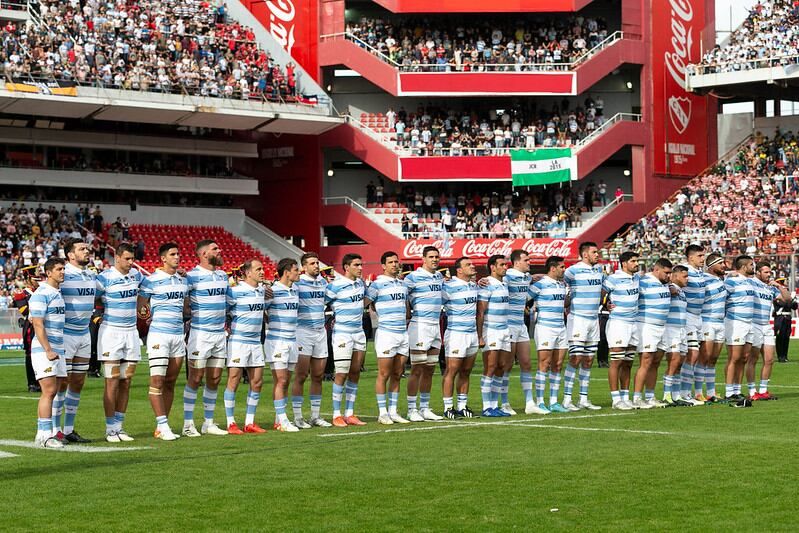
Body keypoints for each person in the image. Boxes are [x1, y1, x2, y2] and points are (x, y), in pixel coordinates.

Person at [137, 242, 187, 441]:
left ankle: (162, 425)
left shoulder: (183, 281)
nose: (177, 257)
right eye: (173, 254)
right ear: (163, 258)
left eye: (178, 254)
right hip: (159, 335)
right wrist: (147, 316)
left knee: (170, 381)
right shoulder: (151, 280)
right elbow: (141, 307)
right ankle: (162, 425)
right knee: (157, 381)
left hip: (178, 335)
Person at [96, 243, 142, 442]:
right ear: (117, 258)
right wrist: (96, 317)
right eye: (127, 259)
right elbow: (89, 299)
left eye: (133, 259)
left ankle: (119, 426)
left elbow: (152, 288)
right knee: (112, 382)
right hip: (111, 334)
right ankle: (109, 429)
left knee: (126, 382)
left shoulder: (137, 276)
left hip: (131, 333)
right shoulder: (103, 278)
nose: (131, 263)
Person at [182, 239, 229, 437]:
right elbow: (184, 304)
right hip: (200, 334)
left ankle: (208, 422)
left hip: (220, 334)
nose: (219, 251)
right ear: (203, 254)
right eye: (215, 249)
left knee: (215, 378)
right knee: (195, 377)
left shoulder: (223, 276)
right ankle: (187, 423)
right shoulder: (191, 277)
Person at [56, 238, 95, 443]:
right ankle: (55, 430)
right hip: (66, 334)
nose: (87, 251)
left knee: (78, 382)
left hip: (84, 334)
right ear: (71, 255)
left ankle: (69, 429)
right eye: (82, 249)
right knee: (61, 382)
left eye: (87, 248)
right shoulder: (63, 275)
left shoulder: (91, 275)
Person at [365, 251, 410, 425]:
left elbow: (406, 307)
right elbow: (366, 303)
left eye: (396, 262)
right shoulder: (377, 285)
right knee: (384, 373)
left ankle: (393, 411)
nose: (394, 264)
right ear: (383, 265)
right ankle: (382, 412)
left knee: (398, 373)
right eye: (390, 262)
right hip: (386, 334)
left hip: (402, 334)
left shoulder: (403, 284)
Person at [223, 260, 268, 434]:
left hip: (256, 342)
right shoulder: (235, 292)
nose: (262, 272)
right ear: (248, 273)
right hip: (238, 341)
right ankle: (230, 422)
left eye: (263, 269)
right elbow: (223, 310)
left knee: (257, 381)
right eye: (258, 269)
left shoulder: (262, 291)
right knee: (233, 379)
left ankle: (249, 422)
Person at [325, 254, 367, 427]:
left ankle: (350, 413)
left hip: (359, 333)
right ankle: (336, 414)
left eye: (361, 264)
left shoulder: (360, 284)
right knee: (341, 373)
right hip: (342, 334)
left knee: (355, 372)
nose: (360, 268)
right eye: (356, 265)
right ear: (346, 267)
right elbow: (322, 303)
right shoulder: (335, 286)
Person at [291, 252, 332, 428]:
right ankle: (298, 417)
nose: (317, 266)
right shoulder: (298, 283)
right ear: (304, 267)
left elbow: (329, 300)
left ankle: (315, 416)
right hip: (303, 332)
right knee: (301, 375)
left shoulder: (323, 282)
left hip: (320, 332)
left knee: (318, 375)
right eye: (313, 263)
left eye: (317, 262)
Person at [404, 246, 444, 421]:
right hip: (420, 326)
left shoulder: (439, 276)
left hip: (435, 327)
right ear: (423, 259)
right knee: (417, 369)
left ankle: (425, 408)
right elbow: (402, 296)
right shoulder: (412, 277)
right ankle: (411, 409)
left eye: (437, 256)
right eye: (431, 257)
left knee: (430, 369)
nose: (435, 259)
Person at [30, 257, 67, 448]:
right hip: (45, 350)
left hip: (59, 349)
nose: (63, 272)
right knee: (49, 391)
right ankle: (45, 435)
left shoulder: (57, 293)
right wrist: (48, 349)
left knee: (57, 391)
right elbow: (37, 323)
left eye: (64, 269)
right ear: (49, 272)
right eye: (59, 269)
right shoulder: (41, 293)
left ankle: (46, 432)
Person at [562, 241, 604, 411]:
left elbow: (604, 289)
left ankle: (583, 399)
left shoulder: (600, 270)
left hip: (593, 319)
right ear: (585, 254)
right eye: (595, 252)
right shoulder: (572, 271)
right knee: (575, 358)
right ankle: (566, 399)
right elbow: (559, 282)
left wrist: (606, 303)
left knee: (588, 360)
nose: (597, 255)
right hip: (578, 318)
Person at [264, 258, 301, 432]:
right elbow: (261, 309)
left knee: (286, 382)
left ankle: (279, 419)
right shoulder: (273, 291)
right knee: (281, 380)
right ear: (287, 272)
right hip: (277, 341)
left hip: (292, 340)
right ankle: (283, 420)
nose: (298, 272)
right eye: (296, 270)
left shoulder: (295, 290)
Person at [528, 255, 569, 414]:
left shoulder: (561, 285)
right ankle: (540, 402)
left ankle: (554, 402)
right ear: (553, 268)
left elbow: (563, 302)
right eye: (562, 267)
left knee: (558, 365)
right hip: (545, 328)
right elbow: (524, 299)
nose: (564, 269)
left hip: (561, 328)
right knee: (544, 364)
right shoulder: (540, 285)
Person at [441, 257, 479, 419]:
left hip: (472, 334)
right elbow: (436, 303)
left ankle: (462, 406)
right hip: (456, 334)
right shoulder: (448, 286)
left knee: (466, 371)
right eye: (468, 265)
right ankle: (448, 407)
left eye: (472, 263)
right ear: (459, 270)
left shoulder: (474, 285)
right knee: (452, 370)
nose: (473, 266)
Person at [632, 258, 673, 409]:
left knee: (656, 363)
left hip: (662, 327)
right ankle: (637, 397)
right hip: (647, 326)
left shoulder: (666, 284)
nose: (669, 276)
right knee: (646, 361)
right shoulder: (643, 282)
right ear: (656, 270)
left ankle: (650, 396)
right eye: (666, 273)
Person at [746, 262, 791, 400]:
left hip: (766, 325)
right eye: (765, 272)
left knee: (769, 359)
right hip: (754, 324)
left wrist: (778, 285)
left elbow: (787, 299)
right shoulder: (750, 283)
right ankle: (752, 391)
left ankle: (763, 390)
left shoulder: (771, 288)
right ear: (758, 272)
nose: (768, 275)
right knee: (753, 359)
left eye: (770, 272)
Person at [602, 251, 640, 410]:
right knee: (616, 361)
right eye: (633, 261)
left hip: (633, 324)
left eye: (637, 261)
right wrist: (605, 304)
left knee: (628, 362)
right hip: (618, 323)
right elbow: (602, 293)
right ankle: (616, 399)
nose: (637, 264)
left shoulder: (637, 278)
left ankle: (625, 397)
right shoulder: (613, 278)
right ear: (624, 264)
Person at [477, 254, 511, 417]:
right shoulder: (486, 284)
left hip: (505, 330)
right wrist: (480, 336)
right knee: (490, 367)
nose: (506, 267)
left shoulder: (504, 284)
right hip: (491, 330)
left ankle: (494, 405)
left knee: (501, 367)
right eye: (502, 264)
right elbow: (481, 311)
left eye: (506, 264)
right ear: (492, 267)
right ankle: (486, 406)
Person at [503, 249, 533, 415]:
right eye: (526, 260)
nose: (529, 262)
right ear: (516, 262)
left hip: (521, 325)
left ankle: (529, 402)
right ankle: (505, 403)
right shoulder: (507, 277)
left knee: (526, 363)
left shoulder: (527, 277)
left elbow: (530, 283)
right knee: (506, 365)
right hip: (508, 325)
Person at [724, 255, 756, 403]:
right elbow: (721, 298)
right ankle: (729, 391)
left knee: (744, 358)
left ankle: (737, 390)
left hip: (749, 324)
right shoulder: (731, 281)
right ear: (743, 267)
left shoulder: (750, 282)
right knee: (734, 357)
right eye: (751, 265)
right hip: (735, 323)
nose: (753, 267)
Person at [680, 245, 707, 404]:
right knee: (692, 355)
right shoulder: (686, 272)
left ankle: (692, 392)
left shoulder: (700, 273)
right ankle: (684, 392)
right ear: (691, 258)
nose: (702, 259)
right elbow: (673, 279)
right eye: (700, 256)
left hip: (699, 317)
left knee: (698, 356)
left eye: (703, 256)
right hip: (688, 316)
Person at [699, 254, 727, 402]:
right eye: (721, 263)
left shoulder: (722, 280)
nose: (724, 265)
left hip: (720, 322)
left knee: (713, 359)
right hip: (707, 321)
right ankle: (698, 392)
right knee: (704, 358)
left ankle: (711, 392)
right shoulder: (703, 279)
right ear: (711, 266)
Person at [662, 265, 691, 406]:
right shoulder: (668, 288)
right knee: (673, 361)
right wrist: (667, 287)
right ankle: (666, 395)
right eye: (684, 276)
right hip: (671, 329)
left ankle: (676, 395)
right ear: (675, 276)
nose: (687, 279)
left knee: (679, 363)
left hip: (682, 329)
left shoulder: (681, 292)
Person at [773, 289, 796, 363]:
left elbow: (795, 307)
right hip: (780, 319)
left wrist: (792, 300)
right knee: (780, 338)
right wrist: (791, 299)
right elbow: (784, 304)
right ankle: (780, 356)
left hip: (788, 319)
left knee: (786, 338)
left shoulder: (788, 300)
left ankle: (785, 356)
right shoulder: (777, 299)